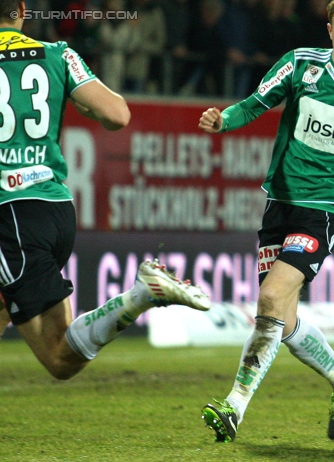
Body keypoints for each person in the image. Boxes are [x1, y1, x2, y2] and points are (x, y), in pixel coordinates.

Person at [197, 0, 334, 443]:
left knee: (270, 298)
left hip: (326, 208)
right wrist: (222, 120)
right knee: (282, 320)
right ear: (329, 31)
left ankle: (234, 405)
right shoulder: (299, 67)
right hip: (281, 202)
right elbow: (253, 104)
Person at [0, 1, 212, 380]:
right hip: (55, 209)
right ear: (21, 9)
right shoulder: (57, 53)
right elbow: (117, 114)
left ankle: (139, 296)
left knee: (60, 357)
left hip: (9, 215)